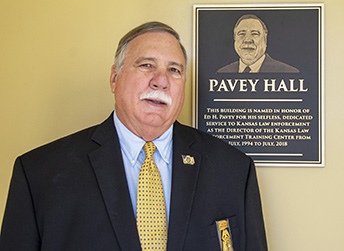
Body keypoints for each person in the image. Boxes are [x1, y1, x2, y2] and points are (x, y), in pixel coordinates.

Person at [0, 21, 268, 250]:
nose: (161, 80)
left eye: (174, 70)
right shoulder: (38, 175)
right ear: (115, 78)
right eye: (147, 65)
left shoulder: (233, 171)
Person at [217, 14, 299, 73]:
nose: (248, 40)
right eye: (241, 34)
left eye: (255, 34)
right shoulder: (222, 73)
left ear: (265, 39)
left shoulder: (288, 73)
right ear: (234, 38)